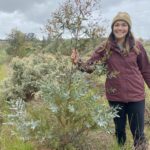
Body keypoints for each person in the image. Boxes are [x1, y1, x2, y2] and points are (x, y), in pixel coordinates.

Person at [71, 12, 150, 149]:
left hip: (136, 96)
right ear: (113, 27)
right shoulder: (105, 46)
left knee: (139, 134)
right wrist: (78, 62)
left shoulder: (137, 46)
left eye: (124, 25)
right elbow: (90, 67)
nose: (120, 28)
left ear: (128, 27)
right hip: (115, 96)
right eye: (117, 25)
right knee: (119, 132)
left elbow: (146, 70)